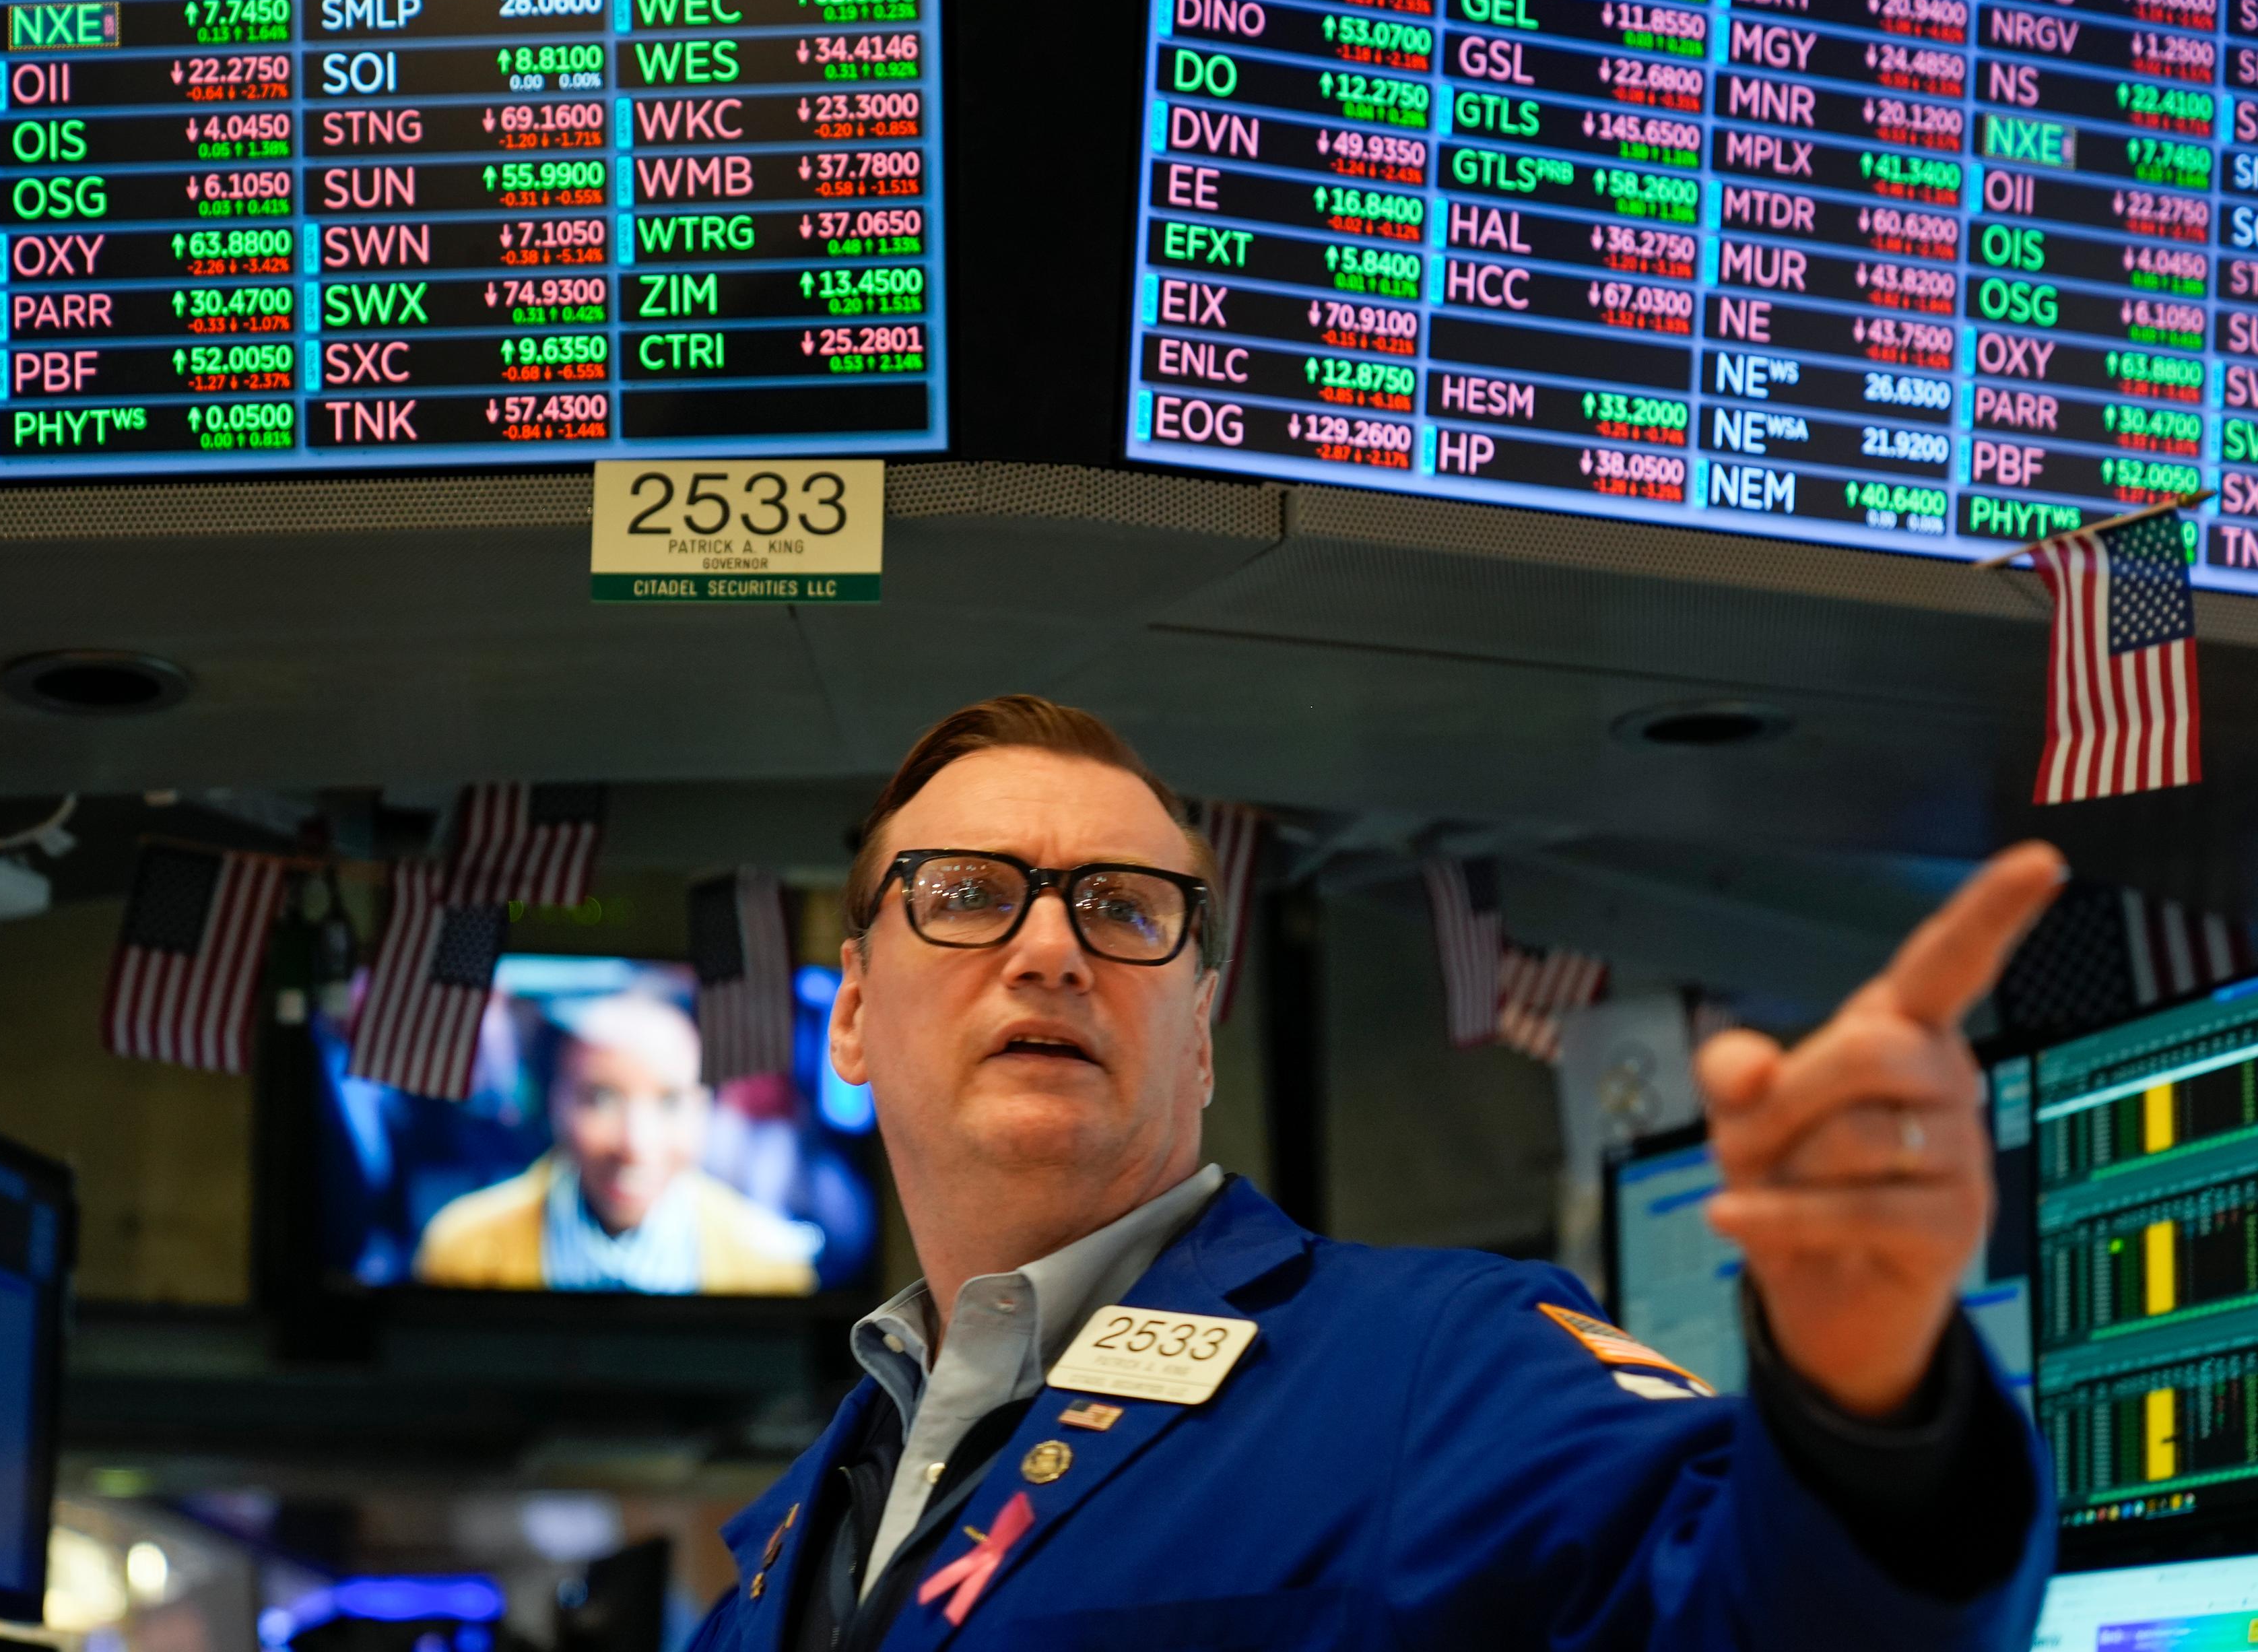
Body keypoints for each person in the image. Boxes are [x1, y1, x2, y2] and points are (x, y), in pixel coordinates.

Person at [688, 694, 2060, 1652]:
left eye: (1127, 908)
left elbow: (1776, 1618)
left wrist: (1877, 1395)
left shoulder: (1437, 1364)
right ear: (853, 1011)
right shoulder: (784, 1539)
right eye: (970, 893)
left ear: (1202, 1032)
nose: (1052, 948)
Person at [413, 991, 821, 1294]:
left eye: (671, 1102)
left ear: (706, 1110)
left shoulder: (773, 1267)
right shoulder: (460, 1250)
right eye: (602, 1099)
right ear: (555, 1103)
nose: (636, 1144)